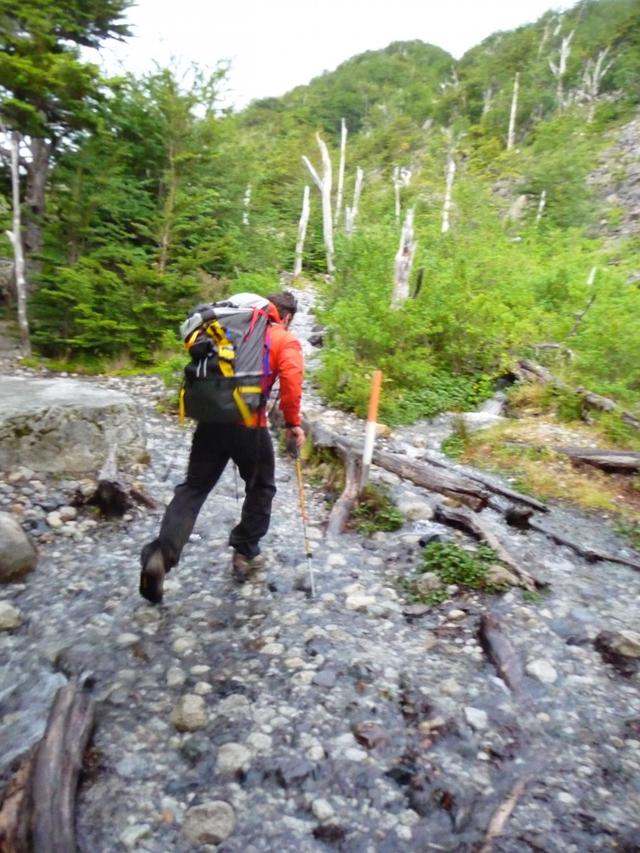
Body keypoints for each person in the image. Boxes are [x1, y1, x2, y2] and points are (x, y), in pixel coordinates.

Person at [139, 291, 305, 604]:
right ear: (286, 317)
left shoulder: (232, 329)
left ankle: (161, 555)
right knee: (261, 487)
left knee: (193, 489)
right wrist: (293, 424)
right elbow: (292, 384)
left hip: (211, 420)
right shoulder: (283, 338)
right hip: (249, 426)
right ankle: (245, 552)